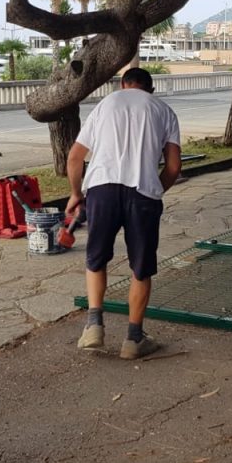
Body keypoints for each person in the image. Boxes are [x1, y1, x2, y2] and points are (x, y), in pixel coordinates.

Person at [65, 67, 182, 359]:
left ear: (123, 84)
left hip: (102, 190)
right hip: (142, 191)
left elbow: (75, 158)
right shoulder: (164, 111)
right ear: (150, 89)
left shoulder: (105, 105)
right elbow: (174, 167)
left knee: (96, 258)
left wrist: (76, 193)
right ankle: (133, 339)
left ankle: (94, 326)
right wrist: (156, 189)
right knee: (140, 267)